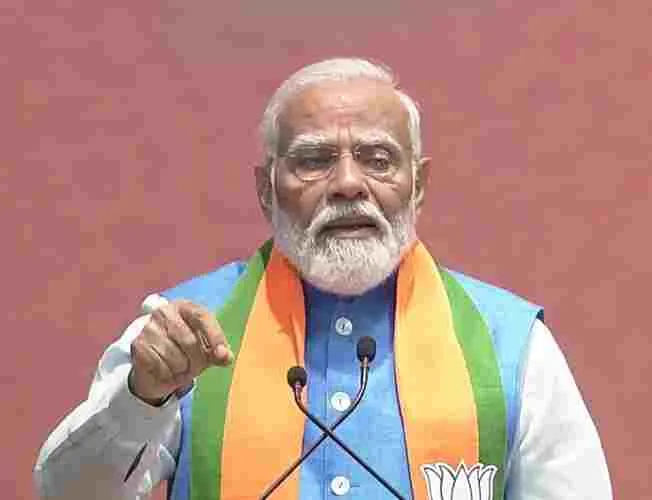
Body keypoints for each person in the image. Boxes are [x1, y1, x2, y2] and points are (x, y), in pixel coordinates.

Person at [34, 58, 612, 500]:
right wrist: (143, 396)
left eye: (378, 159)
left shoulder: (511, 343)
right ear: (266, 190)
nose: (348, 184)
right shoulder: (184, 329)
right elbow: (65, 492)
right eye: (313, 160)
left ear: (419, 185)